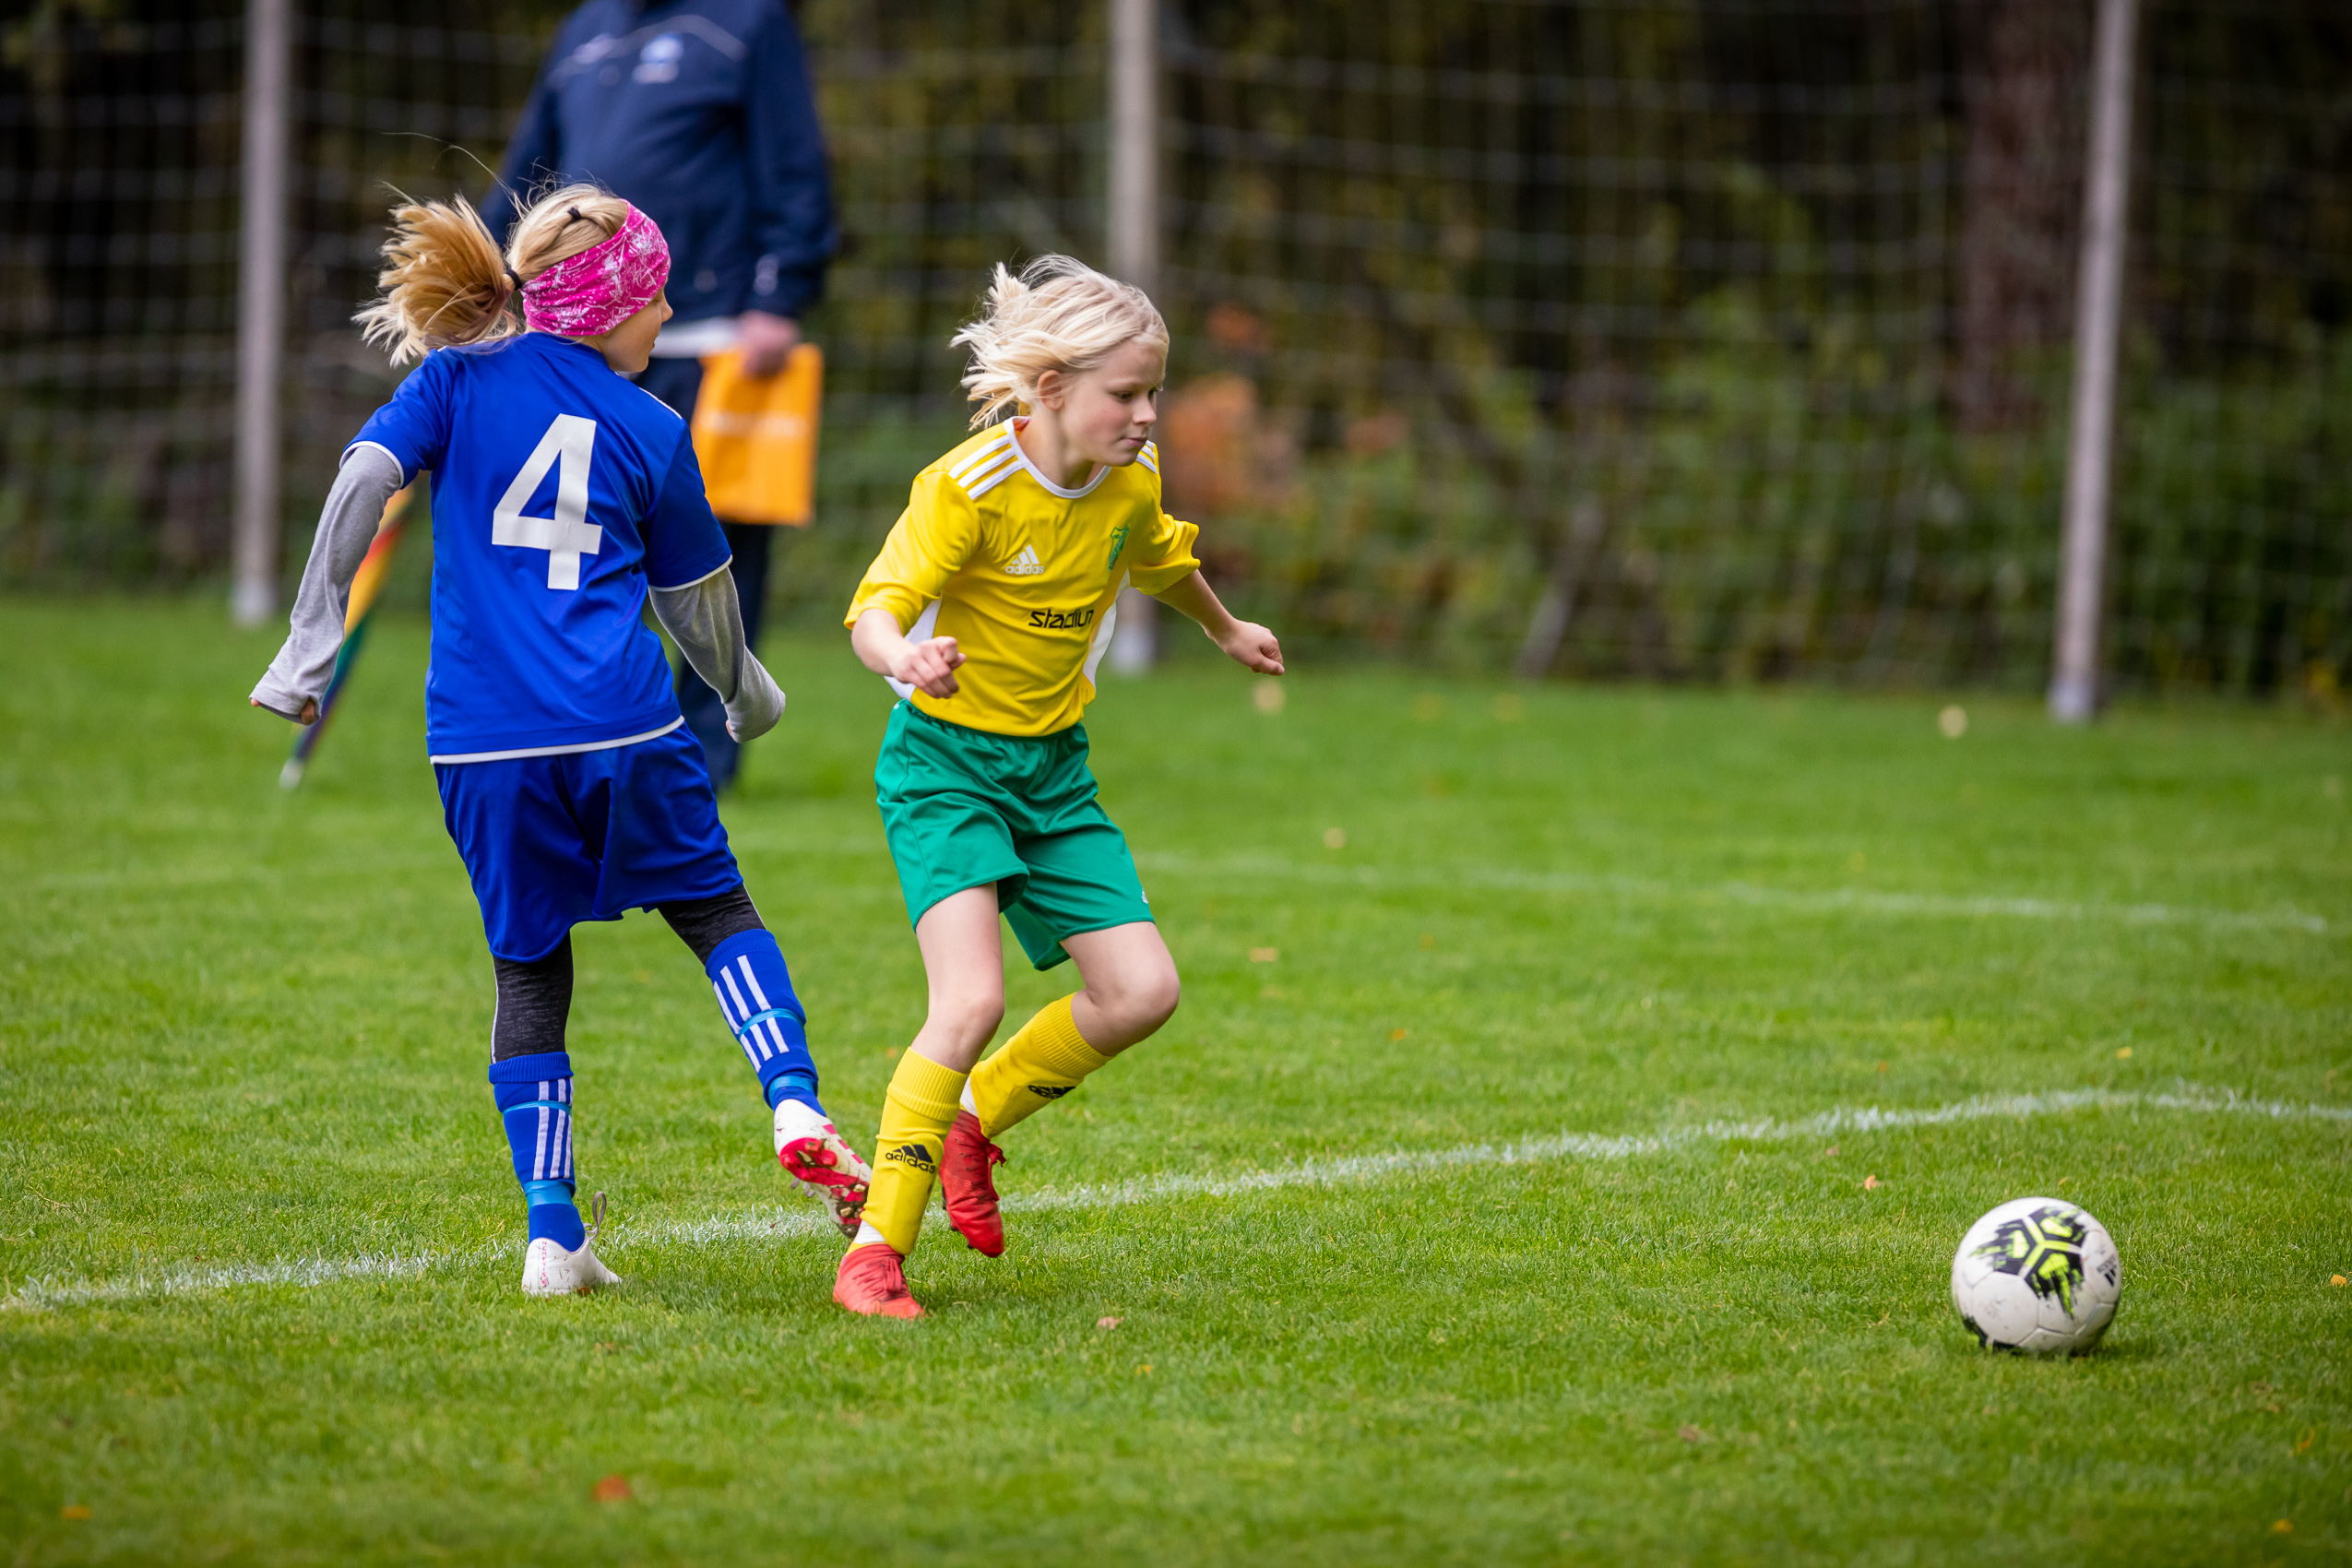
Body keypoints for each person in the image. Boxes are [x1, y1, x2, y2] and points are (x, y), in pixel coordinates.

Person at [247, 184, 868, 1298]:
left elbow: (363, 478)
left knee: (528, 965)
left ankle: (552, 1233)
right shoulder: (652, 426)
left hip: (481, 743)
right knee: (716, 911)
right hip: (625, 722)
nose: (668, 312)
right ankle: (794, 1099)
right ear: (611, 306)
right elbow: (698, 599)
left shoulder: (452, 381)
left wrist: (307, 650)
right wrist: (746, 693)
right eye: (656, 293)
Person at [832, 255, 1286, 1318]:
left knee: (1143, 991)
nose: (1146, 415)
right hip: (945, 768)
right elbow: (875, 608)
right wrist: (904, 656)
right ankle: (874, 1252)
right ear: (1050, 390)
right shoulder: (968, 487)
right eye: (1126, 394)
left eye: (1153, 391)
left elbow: (1159, 558)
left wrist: (1226, 629)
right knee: (971, 1000)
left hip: (1053, 773)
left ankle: (971, 1121)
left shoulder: (1130, 480)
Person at [483, 0, 838, 792]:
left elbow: (794, 164)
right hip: (578, 341)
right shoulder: (583, 29)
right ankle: (585, 734)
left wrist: (779, 294)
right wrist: (482, 280)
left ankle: (707, 756)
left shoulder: (747, 23)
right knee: (581, 535)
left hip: (714, 335)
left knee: (717, 542)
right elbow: (526, 172)